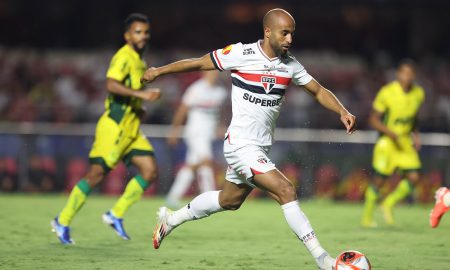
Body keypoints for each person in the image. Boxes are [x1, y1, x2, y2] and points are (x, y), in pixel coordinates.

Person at [142, 8, 356, 270]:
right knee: (286, 190)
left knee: (228, 201)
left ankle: (171, 220)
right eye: (284, 33)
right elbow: (198, 62)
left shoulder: (290, 64)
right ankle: (324, 261)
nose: (289, 39)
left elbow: (318, 90)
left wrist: (342, 111)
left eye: (292, 33)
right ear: (268, 32)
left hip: (259, 147)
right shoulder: (240, 54)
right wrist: (158, 72)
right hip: (240, 145)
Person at [51, 13, 161, 244]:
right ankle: (62, 220)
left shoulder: (139, 60)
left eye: (146, 32)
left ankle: (115, 214)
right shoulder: (123, 56)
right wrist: (141, 94)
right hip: (115, 127)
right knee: (95, 175)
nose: (143, 36)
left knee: (150, 171)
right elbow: (111, 84)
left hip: (132, 127)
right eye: (138, 32)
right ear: (127, 35)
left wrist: (139, 108)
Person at [361, 60, 425, 228]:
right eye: (404, 73)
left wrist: (416, 135)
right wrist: (390, 132)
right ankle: (367, 218)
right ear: (398, 74)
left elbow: (414, 117)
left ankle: (388, 203)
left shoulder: (418, 93)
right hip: (387, 142)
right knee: (379, 181)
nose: (407, 77)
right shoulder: (387, 92)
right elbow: (373, 119)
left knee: (414, 177)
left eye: (410, 74)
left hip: (404, 142)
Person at [165, 71, 227, 208]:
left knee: (192, 164)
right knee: (206, 160)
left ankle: (172, 197)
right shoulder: (196, 89)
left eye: (216, 73)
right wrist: (174, 130)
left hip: (208, 134)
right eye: (211, 73)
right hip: (195, 132)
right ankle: (210, 198)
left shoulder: (220, 92)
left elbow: (221, 112)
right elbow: (182, 110)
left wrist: (220, 126)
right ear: (204, 74)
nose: (214, 75)